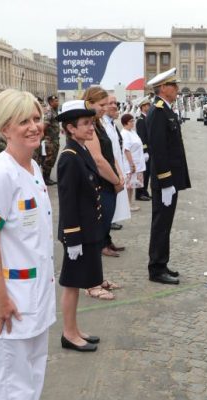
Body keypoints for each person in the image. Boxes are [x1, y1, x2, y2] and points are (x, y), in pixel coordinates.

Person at [0, 89, 65, 400]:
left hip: (36, 294)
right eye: (23, 121)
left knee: (32, 370)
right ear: (5, 128)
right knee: (12, 379)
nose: (34, 127)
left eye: (35, 118)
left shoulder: (31, 167)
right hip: (9, 298)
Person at [55, 99, 105, 351]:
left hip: (87, 230)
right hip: (78, 233)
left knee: (77, 284)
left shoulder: (81, 150)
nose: (90, 128)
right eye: (85, 124)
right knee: (71, 284)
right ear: (70, 128)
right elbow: (68, 202)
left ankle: (74, 329)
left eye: (91, 123)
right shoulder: (69, 157)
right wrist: (72, 238)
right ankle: (68, 334)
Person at [146, 68, 191, 285]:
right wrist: (165, 181)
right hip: (164, 180)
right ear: (163, 88)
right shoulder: (157, 111)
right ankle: (156, 269)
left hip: (169, 179)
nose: (177, 89)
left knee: (165, 224)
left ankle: (162, 264)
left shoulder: (166, 110)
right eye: (174, 85)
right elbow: (158, 150)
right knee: (161, 225)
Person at [81, 86, 123, 297]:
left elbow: (110, 153)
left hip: (108, 183)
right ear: (89, 103)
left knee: (99, 234)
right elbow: (98, 160)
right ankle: (92, 284)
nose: (106, 108)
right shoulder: (90, 127)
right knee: (94, 237)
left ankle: (97, 278)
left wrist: (118, 174)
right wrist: (116, 180)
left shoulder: (98, 124)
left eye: (108, 105)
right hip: (100, 185)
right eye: (102, 105)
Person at [105, 94, 131, 233]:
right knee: (108, 205)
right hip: (109, 171)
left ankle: (107, 239)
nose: (115, 106)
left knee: (113, 203)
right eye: (111, 103)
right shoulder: (102, 125)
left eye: (115, 103)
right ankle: (105, 242)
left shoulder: (111, 124)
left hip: (116, 169)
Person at [120, 113, 144, 212]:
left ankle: (130, 203)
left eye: (133, 120)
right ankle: (127, 205)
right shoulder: (125, 133)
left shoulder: (132, 132)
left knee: (132, 185)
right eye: (131, 121)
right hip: (130, 163)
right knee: (128, 186)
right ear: (125, 123)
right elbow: (126, 150)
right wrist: (131, 164)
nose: (133, 123)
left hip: (137, 162)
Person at [135, 97, 153, 201]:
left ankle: (145, 191)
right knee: (143, 173)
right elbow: (142, 138)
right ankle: (139, 194)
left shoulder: (147, 118)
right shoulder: (141, 120)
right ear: (143, 107)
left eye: (149, 105)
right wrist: (145, 151)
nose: (149, 107)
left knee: (148, 173)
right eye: (147, 105)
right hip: (144, 152)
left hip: (149, 150)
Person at [41, 95, 61, 185]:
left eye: (57, 101)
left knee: (52, 159)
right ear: (50, 102)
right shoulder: (49, 111)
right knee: (49, 159)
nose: (57, 102)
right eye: (55, 101)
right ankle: (45, 178)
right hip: (50, 140)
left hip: (54, 139)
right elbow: (45, 124)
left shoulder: (54, 111)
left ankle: (46, 177)